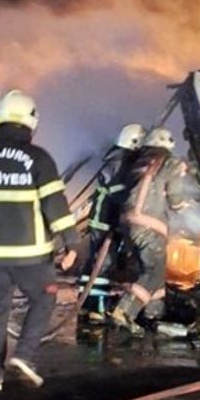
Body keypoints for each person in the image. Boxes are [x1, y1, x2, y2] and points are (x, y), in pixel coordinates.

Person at [0, 90, 78, 391]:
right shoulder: (38, 158)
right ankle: (24, 355)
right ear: (31, 123)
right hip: (32, 254)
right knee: (44, 298)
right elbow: (55, 205)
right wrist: (72, 243)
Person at [109, 127, 192, 337]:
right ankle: (124, 311)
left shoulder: (137, 161)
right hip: (149, 224)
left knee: (151, 269)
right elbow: (175, 196)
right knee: (153, 271)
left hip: (128, 223)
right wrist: (183, 205)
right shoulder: (170, 162)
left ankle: (153, 314)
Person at [77, 123, 145, 331]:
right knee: (103, 263)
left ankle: (89, 304)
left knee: (97, 262)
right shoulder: (119, 161)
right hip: (105, 219)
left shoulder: (115, 157)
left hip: (104, 218)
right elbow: (117, 191)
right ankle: (94, 307)